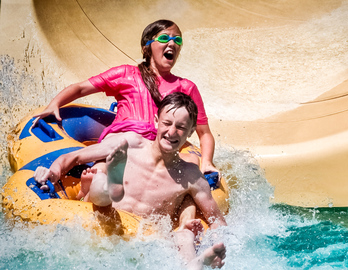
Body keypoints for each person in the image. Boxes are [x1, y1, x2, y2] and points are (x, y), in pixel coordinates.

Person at [40, 92, 228, 270]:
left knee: (182, 235)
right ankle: (111, 186)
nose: (171, 132)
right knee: (99, 181)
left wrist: (217, 242)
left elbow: (217, 220)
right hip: (101, 217)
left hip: (140, 242)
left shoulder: (191, 176)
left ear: (191, 131)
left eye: (180, 127)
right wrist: (52, 173)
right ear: (156, 121)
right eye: (167, 123)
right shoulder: (130, 144)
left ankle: (194, 266)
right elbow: (74, 157)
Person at [33, 19, 219, 177]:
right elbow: (81, 88)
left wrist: (207, 162)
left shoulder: (186, 87)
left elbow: (204, 133)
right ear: (147, 46)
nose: (172, 44)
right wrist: (55, 103)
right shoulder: (127, 74)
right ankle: (70, 179)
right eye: (164, 38)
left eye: (177, 40)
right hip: (120, 142)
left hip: (156, 151)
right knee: (103, 172)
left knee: (189, 169)